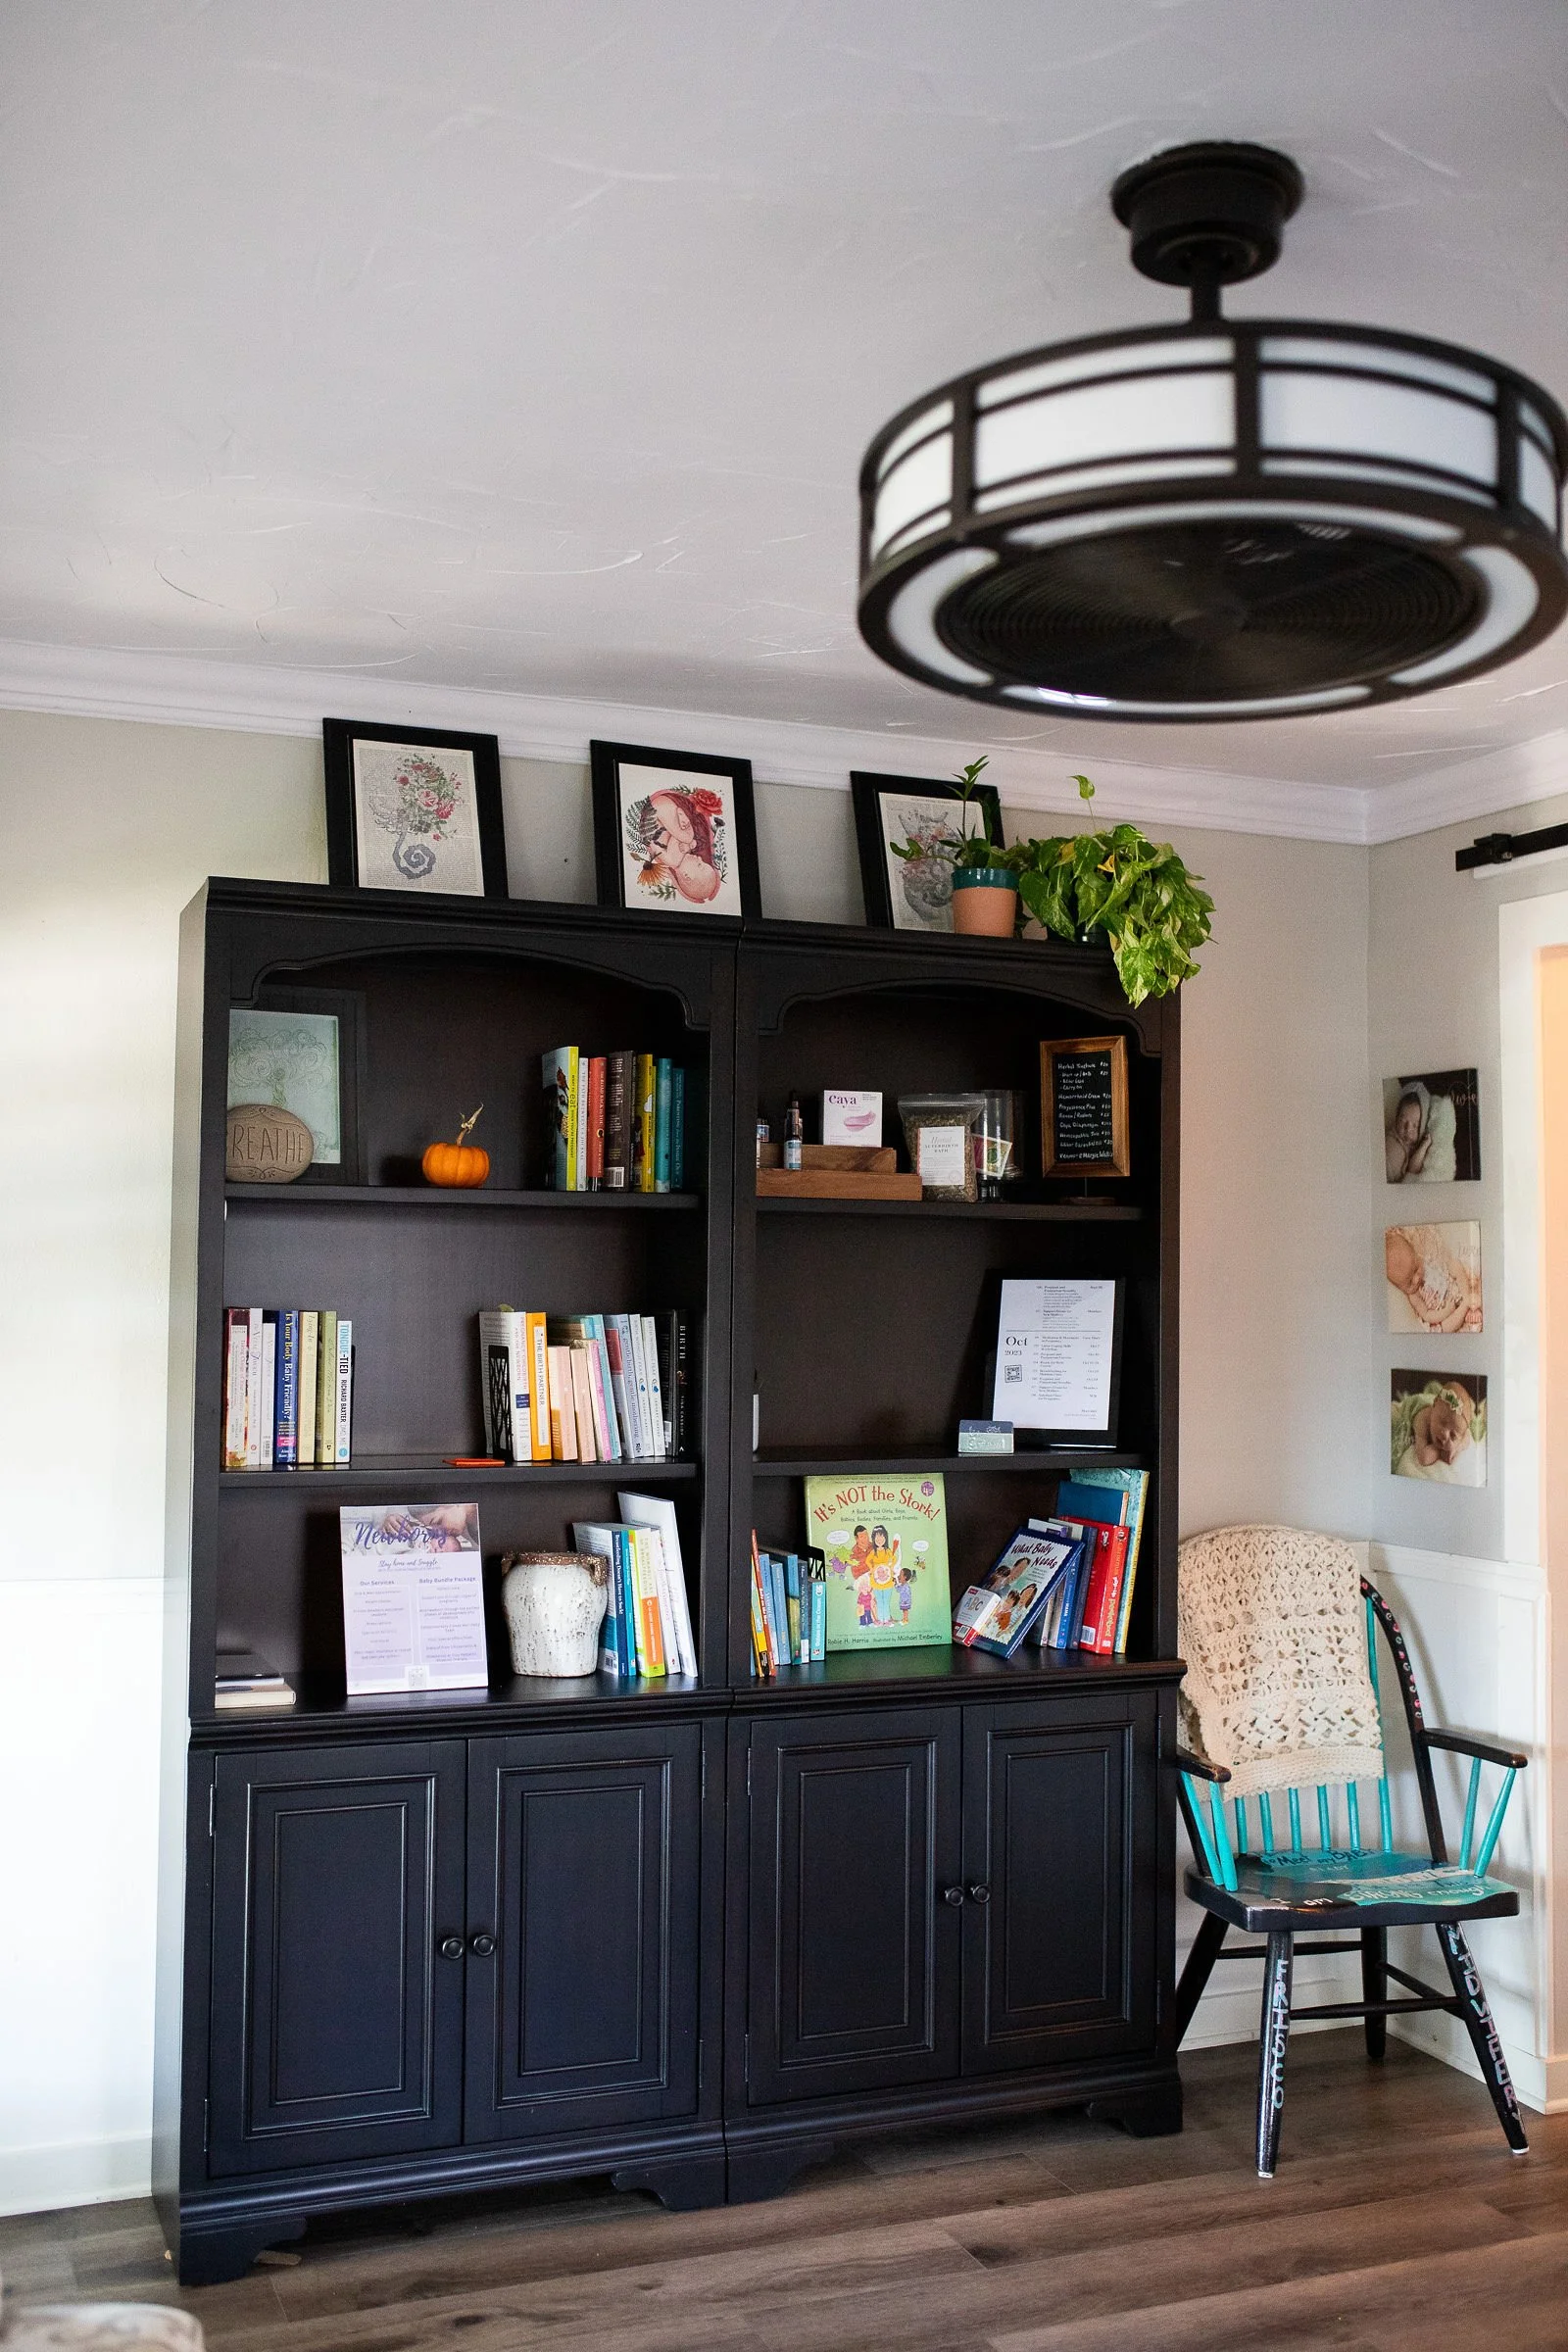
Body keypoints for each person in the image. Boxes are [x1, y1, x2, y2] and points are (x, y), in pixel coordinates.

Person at [629, 786, 724, 905]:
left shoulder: (672, 860)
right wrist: (689, 845)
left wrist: (688, 842)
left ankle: (682, 816)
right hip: (665, 812)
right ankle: (681, 816)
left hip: (658, 812)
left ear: (686, 876)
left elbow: (667, 842)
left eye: (700, 865)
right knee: (687, 837)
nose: (700, 858)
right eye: (703, 862)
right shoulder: (681, 856)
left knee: (687, 837)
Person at [1385, 1226, 1481, 1333]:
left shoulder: (1425, 1261)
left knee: (1455, 1264)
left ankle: (1467, 1295)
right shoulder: (1414, 1297)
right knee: (1445, 1328)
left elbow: (1444, 1266)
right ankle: (1465, 1306)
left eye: (1416, 1269)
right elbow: (1427, 1315)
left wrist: (1447, 1271)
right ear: (1399, 1288)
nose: (1416, 1279)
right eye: (1409, 1282)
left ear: (1415, 1255)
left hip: (1453, 1287)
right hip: (1444, 1311)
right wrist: (1447, 1311)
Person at [1386, 1089, 1432, 1182]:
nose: (1408, 1129)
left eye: (1415, 1126)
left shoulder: (1416, 1148)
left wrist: (1424, 1146)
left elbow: (1412, 1171)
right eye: (1403, 1121)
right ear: (1396, 1118)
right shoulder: (1392, 1136)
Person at [866, 1525, 900, 1625]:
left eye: (882, 1536)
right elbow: (867, 1561)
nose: (879, 1539)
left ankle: (887, 1620)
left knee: (886, 1600)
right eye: (877, 1537)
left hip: (887, 1577)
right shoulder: (873, 1552)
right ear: (873, 1539)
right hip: (876, 1578)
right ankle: (881, 1620)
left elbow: (894, 1559)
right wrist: (871, 1568)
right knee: (880, 1601)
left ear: (885, 1538)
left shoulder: (887, 1551)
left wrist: (891, 1567)